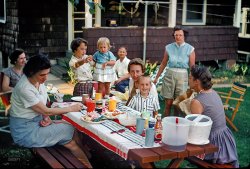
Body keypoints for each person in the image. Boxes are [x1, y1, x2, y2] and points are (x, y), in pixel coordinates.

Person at [9, 54, 92, 168]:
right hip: (25, 132)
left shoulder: (38, 81)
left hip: (35, 123)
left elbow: (41, 107)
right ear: (31, 72)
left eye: (47, 73)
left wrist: (45, 118)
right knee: (70, 130)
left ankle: (87, 157)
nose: (46, 78)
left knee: (71, 132)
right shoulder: (25, 88)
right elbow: (47, 111)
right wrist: (71, 108)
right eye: (42, 75)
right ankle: (87, 159)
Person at [189, 65, 239, 168]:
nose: (188, 80)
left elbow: (195, 132)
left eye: (190, 78)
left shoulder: (197, 102)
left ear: (196, 82)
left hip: (214, 147)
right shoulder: (214, 93)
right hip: (227, 143)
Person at [153, 25, 196, 117]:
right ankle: (165, 124)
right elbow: (164, 63)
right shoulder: (168, 47)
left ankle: (176, 125)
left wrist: (192, 81)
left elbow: (192, 67)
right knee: (168, 103)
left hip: (182, 76)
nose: (178, 37)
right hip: (169, 75)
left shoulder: (190, 49)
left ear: (184, 36)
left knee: (178, 104)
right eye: (176, 35)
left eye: (180, 35)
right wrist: (156, 77)